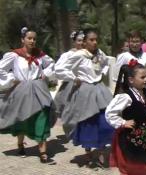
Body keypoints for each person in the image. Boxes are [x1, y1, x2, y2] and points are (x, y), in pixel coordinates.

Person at [55, 28, 114, 167]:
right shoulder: (79, 55)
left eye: (96, 40)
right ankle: (88, 151)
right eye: (91, 40)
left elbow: (106, 63)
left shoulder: (99, 53)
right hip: (85, 90)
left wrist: (102, 72)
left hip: (99, 89)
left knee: (104, 119)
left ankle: (100, 150)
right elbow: (59, 68)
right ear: (85, 42)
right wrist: (73, 77)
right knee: (87, 121)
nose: (94, 42)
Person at [0, 27, 56, 164]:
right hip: (22, 90)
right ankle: (20, 145)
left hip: (38, 89)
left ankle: (43, 153)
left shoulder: (40, 55)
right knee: (22, 118)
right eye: (29, 38)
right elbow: (1, 69)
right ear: (22, 40)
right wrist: (11, 79)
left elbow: (52, 65)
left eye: (34, 38)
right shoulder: (15, 55)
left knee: (42, 115)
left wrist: (45, 74)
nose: (32, 41)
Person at [105, 61, 146, 175]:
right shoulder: (126, 96)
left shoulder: (144, 91)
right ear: (131, 80)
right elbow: (110, 113)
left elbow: (143, 107)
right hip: (131, 133)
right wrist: (123, 122)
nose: (145, 80)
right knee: (136, 160)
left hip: (145, 130)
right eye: (142, 77)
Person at [54, 30, 84, 117]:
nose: (81, 43)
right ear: (74, 42)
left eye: (83, 40)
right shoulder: (68, 55)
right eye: (79, 40)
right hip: (72, 85)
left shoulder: (88, 54)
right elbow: (58, 69)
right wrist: (73, 77)